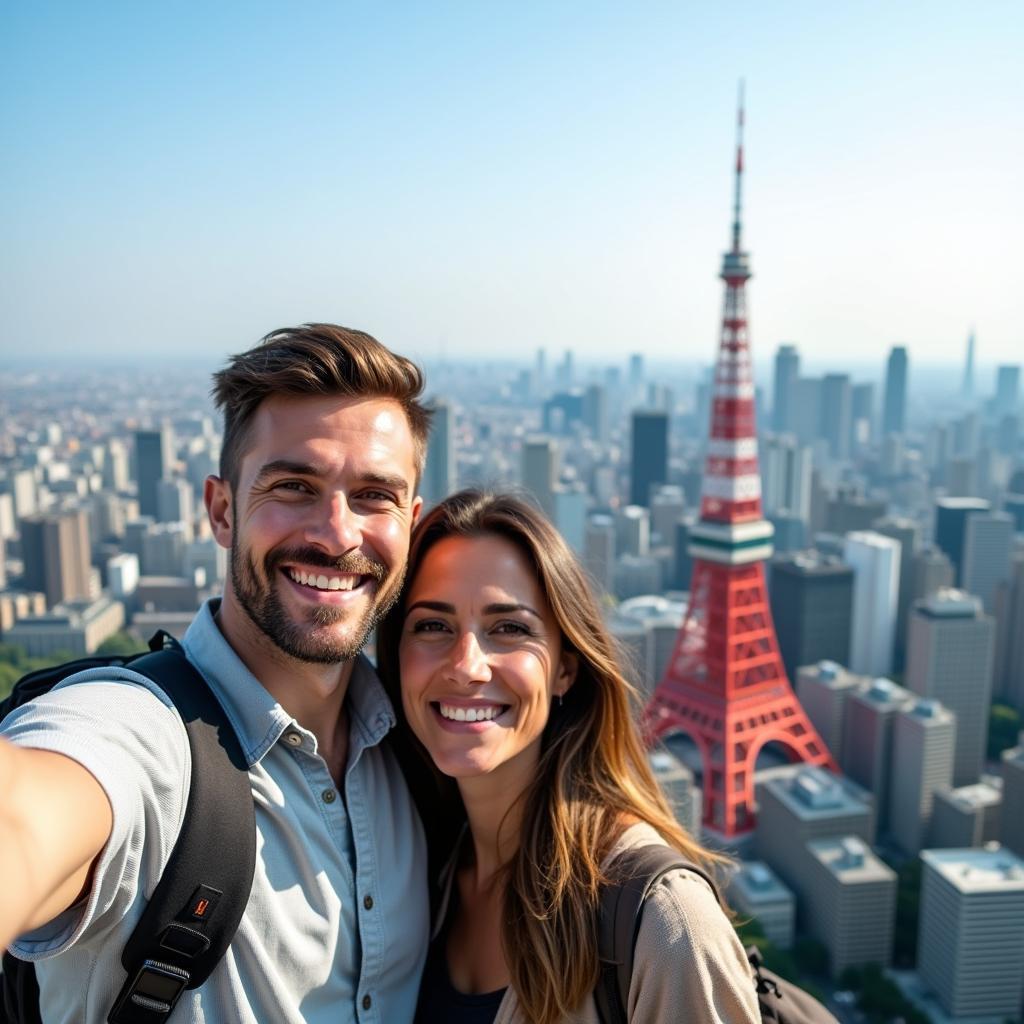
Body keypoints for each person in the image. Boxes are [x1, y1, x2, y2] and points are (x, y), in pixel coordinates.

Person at [0, 324, 431, 1023]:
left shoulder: (419, 756)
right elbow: (28, 812)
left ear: (411, 523)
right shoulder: (143, 738)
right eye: (294, 485)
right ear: (222, 509)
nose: (337, 533)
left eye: (374, 496)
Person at [376, 490, 761, 1024]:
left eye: (509, 628)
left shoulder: (665, 923)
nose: (466, 667)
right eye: (432, 626)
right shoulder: (420, 865)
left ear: (565, 669)